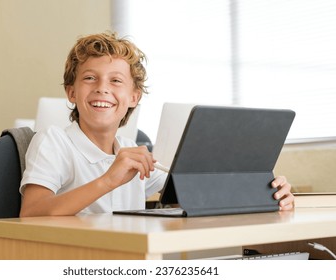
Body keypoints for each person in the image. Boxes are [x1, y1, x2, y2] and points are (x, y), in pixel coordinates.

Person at [19, 32, 294, 217]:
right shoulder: (53, 141)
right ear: (71, 92)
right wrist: (108, 180)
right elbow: (30, 213)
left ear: (133, 98)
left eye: (116, 81)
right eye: (90, 78)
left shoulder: (132, 152)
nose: (102, 89)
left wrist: (268, 191)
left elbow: (191, 193)